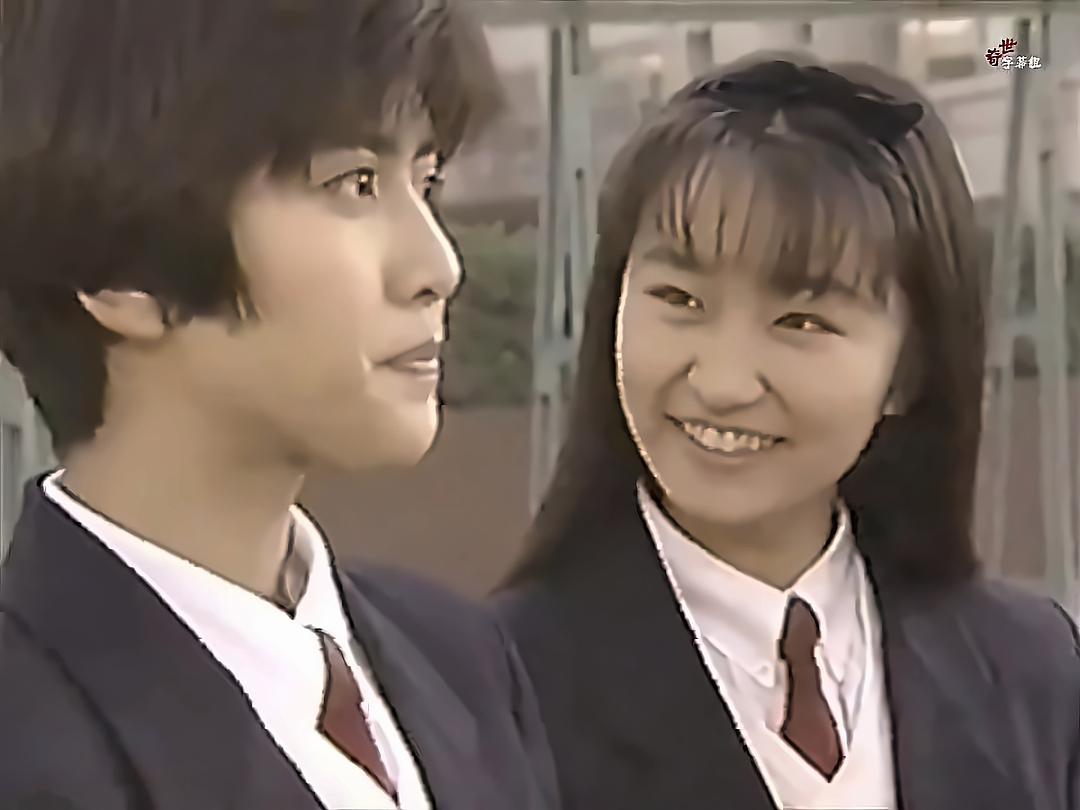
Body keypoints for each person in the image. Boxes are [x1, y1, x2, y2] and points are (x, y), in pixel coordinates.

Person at [0, 1, 559, 808]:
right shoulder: (31, 749)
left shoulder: (462, 662)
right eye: (354, 184)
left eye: (426, 182)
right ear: (120, 268)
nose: (439, 266)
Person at [495, 57, 1080, 810]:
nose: (723, 382)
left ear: (910, 368)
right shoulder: (497, 692)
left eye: (801, 321)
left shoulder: (1031, 672)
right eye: (679, 298)